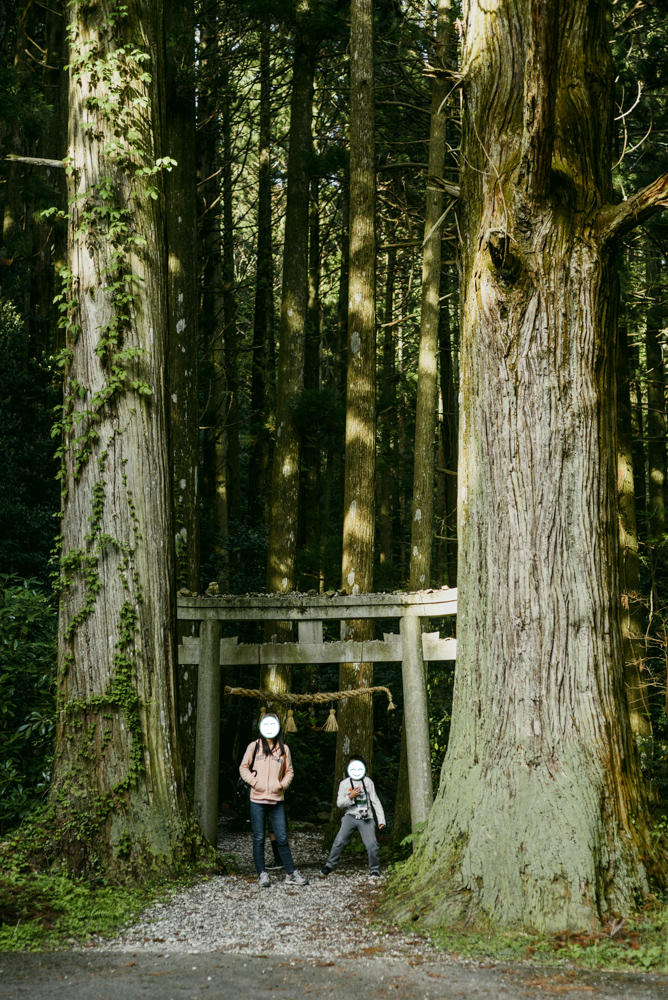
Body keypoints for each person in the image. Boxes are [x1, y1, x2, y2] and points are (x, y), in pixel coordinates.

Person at [239, 712, 309, 888]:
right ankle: (262, 874)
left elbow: (289, 770)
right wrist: (255, 783)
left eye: (273, 725)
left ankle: (290, 874)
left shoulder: (284, 749)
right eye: (266, 724)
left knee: (282, 837)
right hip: (257, 799)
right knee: (259, 838)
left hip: (277, 799)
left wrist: (282, 785)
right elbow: (243, 767)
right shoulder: (253, 747)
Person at [320, 754, 385, 878]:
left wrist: (381, 820)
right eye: (352, 766)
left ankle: (375, 869)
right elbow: (339, 803)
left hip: (366, 818)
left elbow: (375, 800)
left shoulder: (368, 782)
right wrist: (350, 796)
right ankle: (329, 866)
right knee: (339, 841)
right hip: (350, 816)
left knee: (372, 844)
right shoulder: (344, 783)